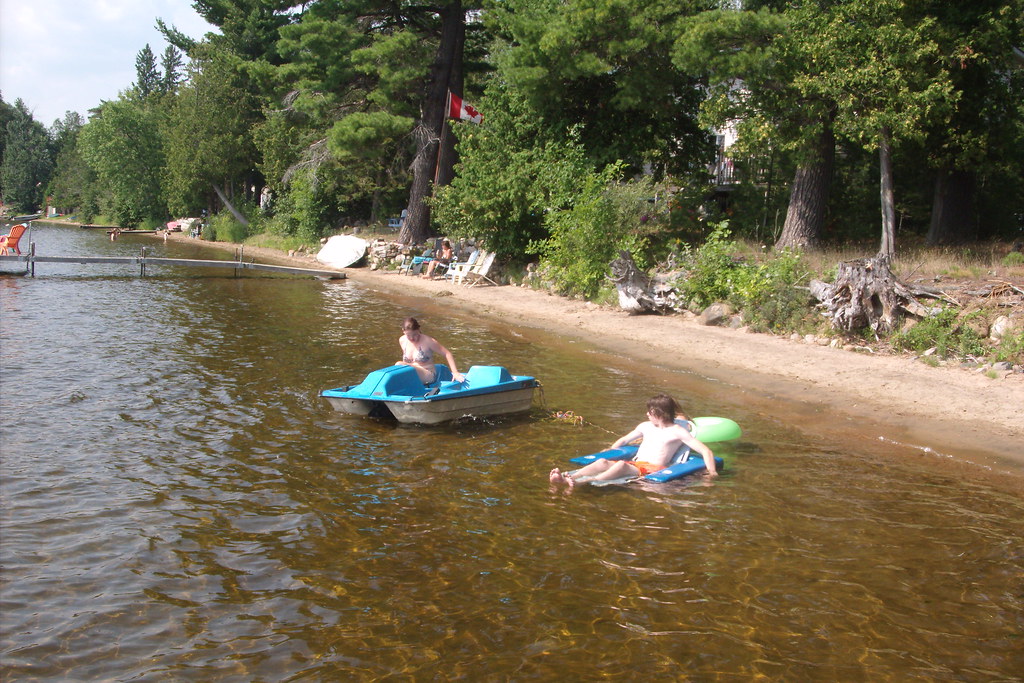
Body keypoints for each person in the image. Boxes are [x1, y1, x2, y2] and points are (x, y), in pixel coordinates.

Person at [549, 394, 716, 487]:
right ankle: (569, 477)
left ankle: (584, 482)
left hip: (652, 469)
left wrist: (712, 472)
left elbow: (705, 451)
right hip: (637, 464)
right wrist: (610, 451)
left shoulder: (677, 431)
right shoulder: (645, 426)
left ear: (659, 413)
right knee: (602, 462)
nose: (647, 415)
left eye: (650, 412)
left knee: (622, 465)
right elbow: (623, 440)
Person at [397, 317, 465, 384]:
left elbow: (447, 354)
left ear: (418, 330)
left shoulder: (428, 341)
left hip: (428, 373)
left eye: (415, 335)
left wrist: (455, 372)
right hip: (411, 372)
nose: (412, 338)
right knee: (399, 366)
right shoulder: (402, 340)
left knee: (399, 364)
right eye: (408, 335)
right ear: (403, 331)